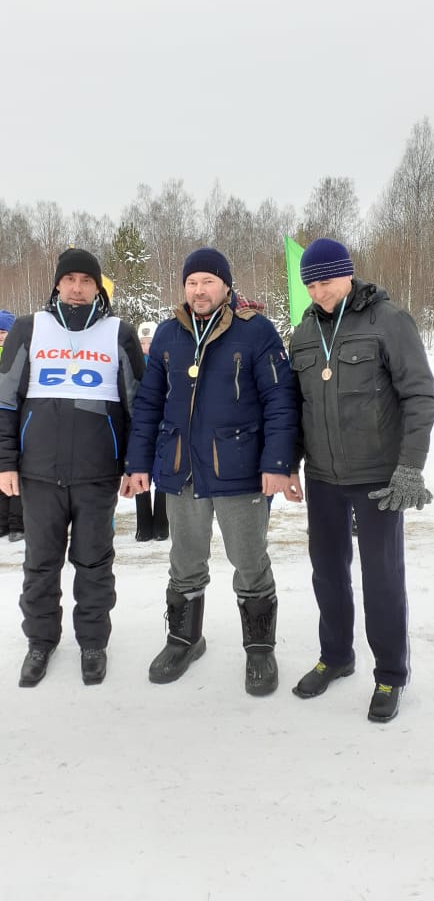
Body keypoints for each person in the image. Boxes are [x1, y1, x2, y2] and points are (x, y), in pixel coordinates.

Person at [121, 247, 297, 696]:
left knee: (249, 561)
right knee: (184, 561)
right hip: (181, 470)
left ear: (225, 286)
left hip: (239, 470)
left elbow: (280, 402)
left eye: (208, 282)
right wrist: (138, 463)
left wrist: (277, 463)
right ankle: (184, 640)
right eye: (192, 283)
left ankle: (260, 649)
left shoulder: (255, 332)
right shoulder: (168, 334)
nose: (199, 290)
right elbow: (148, 405)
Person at [285, 238, 434, 723]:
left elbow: (420, 396)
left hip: (378, 478)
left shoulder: (388, 320)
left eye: (326, 281)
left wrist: (410, 467)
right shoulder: (303, 333)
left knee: (382, 579)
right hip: (323, 477)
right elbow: (295, 408)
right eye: (310, 285)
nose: (318, 292)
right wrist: (290, 464)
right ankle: (336, 656)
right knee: (327, 573)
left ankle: (390, 673)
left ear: (347, 273)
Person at [0, 248, 146, 687]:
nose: (78, 288)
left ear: (98, 287)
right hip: (39, 473)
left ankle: (93, 643)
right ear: (57, 284)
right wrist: (6, 463)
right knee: (40, 564)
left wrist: (134, 464)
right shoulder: (28, 328)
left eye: (86, 281)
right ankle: (40, 641)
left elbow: (138, 406)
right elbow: (5, 402)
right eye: (70, 280)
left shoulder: (119, 333)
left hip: (97, 474)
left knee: (94, 564)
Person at [134, 321, 169, 542]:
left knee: (162, 473)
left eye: (150, 343)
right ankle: (143, 526)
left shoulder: (166, 362)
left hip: (163, 426)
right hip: (140, 426)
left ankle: (162, 525)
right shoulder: (132, 364)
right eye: (142, 343)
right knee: (140, 471)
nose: (146, 348)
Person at [0, 310, 24, 542]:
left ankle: (17, 523)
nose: (0, 336)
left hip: (14, 416)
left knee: (16, 469)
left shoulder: (20, 353)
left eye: (3, 331)